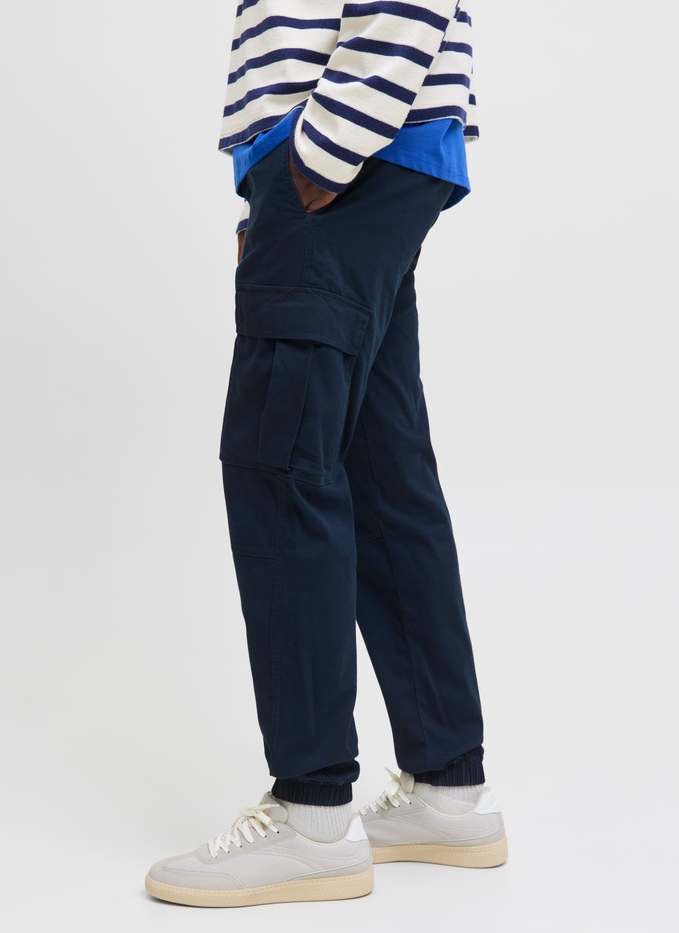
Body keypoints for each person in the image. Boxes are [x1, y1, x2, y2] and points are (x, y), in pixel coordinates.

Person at [145, 0, 507, 908]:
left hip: (346, 155)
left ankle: (311, 818)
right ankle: (447, 791)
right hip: (374, 156)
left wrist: (313, 159)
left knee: (281, 468)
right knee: (382, 474)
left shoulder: (330, 156)